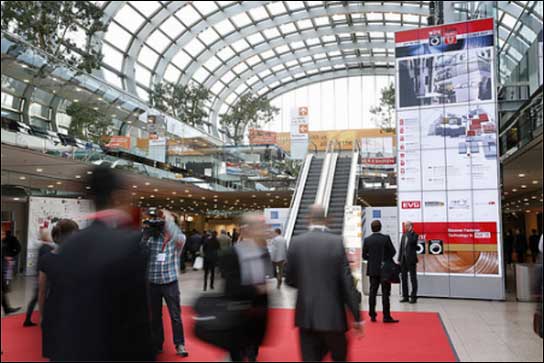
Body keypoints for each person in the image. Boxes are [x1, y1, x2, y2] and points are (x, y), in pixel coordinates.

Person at [53, 166, 154, 361]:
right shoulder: (129, 244)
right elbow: (137, 322)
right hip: (113, 351)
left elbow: (61, 310)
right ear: (117, 197)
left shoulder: (69, 245)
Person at [286, 205, 363, 362]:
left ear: (308, 219)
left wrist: (307, 285)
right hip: (333, 318)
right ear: (328, 220)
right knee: (340, 357)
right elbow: (347, 283)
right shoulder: (336, 242)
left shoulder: (296, 242)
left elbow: (289, 280)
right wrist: (357, 317)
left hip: (306, 317)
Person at [220, 213, 269, 362]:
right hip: (237, 315)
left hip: (257, 315)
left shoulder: (263, 252)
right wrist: (257, 290)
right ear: (246, 229)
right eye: (258, 227)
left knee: (253, 352)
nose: (262, 230)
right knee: (237, 354)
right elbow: (230, 287)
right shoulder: (231, 254)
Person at [144, 208, 188, 357]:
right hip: (153, 283)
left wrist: (169, 220)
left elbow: (178, 236)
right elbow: (141, 252)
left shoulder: (179, 239)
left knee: (175, 316)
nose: (165, 226)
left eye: (168, 224)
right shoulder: (152, 238)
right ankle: (157, 344)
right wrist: (145, 235)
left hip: (170, 282)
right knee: (155, 317)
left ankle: (180, 344)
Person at [38, 219, 79, 359]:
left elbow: (42, 292)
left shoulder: (46, 259)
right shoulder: (79, 259)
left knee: (54, 353)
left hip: (53, 309)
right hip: (74, 311)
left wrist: (42, 315)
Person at [363, 220, 399, 323]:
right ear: (380, 227)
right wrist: (385, 259)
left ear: (371, 228)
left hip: (373, 270)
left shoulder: (367, 240)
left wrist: (372, 259)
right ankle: (386, 316)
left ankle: (372, 315)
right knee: (385, 293)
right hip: (385, 270)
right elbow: (393, 252)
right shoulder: (385, 238)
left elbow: (364, 256)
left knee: (372, 292)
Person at [23, 229, 57, 327]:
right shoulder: (46, 248)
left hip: (40, 275)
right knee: (41, 297)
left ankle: (28, 319)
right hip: (43, 277)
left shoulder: (43, 247)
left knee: (35, 298)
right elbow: (46, 263)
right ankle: (37, 319)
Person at [398, 221, 419, 304]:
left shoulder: (414, 235)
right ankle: (405, 296)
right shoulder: (403, 235)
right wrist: (399, 258)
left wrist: (410, 232)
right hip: (403, 260)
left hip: (411, 260)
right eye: (404, 226)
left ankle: (413, 297)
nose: (404, 227)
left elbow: (412, 242)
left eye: (406, 226)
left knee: (413, 278)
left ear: (410, 226)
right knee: (403, 278)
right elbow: (401, 248)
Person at [1, 229, 20, 315]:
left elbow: (18, 248)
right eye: (1, 233)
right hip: (5, 264)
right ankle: (7, 308)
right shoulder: (4, 242)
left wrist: (10, 255)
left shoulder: (10, 239)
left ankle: (7, 308)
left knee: (4, 286)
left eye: (3, 233)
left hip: (6, 264)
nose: (3, 234)